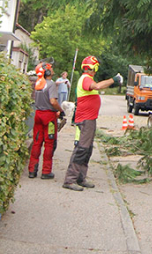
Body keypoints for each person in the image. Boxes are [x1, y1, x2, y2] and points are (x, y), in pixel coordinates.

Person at [63, 55, 122, 192]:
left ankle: (80, 178)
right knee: (82, 149)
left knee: (87, 150)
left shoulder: (87, 79)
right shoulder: (85, 79)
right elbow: (98, 86)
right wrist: (113, 80)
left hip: (90, 119)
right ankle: (70, 179)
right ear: (93, 67)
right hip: (86, 120)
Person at [28, 60, 64, 179]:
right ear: (47, 71)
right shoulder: (51, 84)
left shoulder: (38, 84)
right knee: (49, 142)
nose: (53, 70)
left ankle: (32, 170)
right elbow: (53, 101)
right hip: (49, 116)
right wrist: (60, 110)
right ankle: (46, 171)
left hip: (38, 114)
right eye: (51, 68)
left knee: (37, 142)